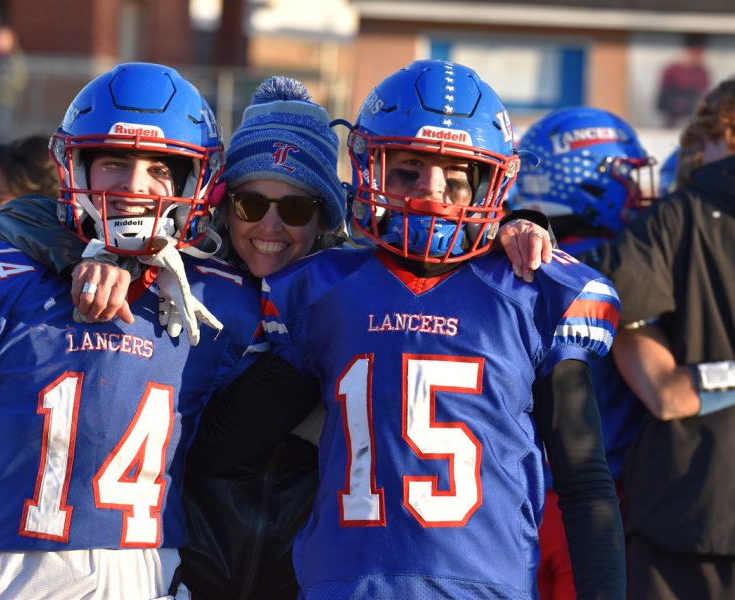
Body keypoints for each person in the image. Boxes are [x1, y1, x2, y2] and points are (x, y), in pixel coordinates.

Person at [0, 72, 556, 598]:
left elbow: (447, 249)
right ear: (219, 205)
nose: (270, 226)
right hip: (190, 553)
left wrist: (518, 224)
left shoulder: (348, 286)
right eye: (250, 203)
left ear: (326, 219)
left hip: (300, 561)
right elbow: (25, 215)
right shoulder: (183, 265)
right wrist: (88, 258)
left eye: (297, 207)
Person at [191, 59, 626, 598]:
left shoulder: (534, 292)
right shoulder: (323, 290)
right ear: (370, 169)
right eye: (407, 170)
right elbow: (217, 445)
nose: (430, 192)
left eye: (456, 177)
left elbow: (585, 484)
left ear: (493, 184)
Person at [0, 62, 266, 600]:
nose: (135, 187)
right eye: (113, 162)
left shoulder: (214, 300)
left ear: (190, 182)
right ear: (74, 167)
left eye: (159, 168)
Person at [585, 76, 735, 599]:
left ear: (723, 132)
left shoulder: (676, 218)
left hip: (687, 512)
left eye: (699, 140)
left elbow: (664, 392)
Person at [514, 105, 656, 598]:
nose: (637, 189)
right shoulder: (622, 264)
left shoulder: (506, 262)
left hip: (516, 505)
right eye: (624, 174)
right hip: (596, 502)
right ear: (591, 179)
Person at [656, 33, 711, 129]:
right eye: (694, 53)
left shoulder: (702, 73)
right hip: (671, 123)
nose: (697, 57)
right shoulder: (671, 71)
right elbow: (661, 101)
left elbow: (704, 98)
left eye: (699, 53)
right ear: (686, 51)